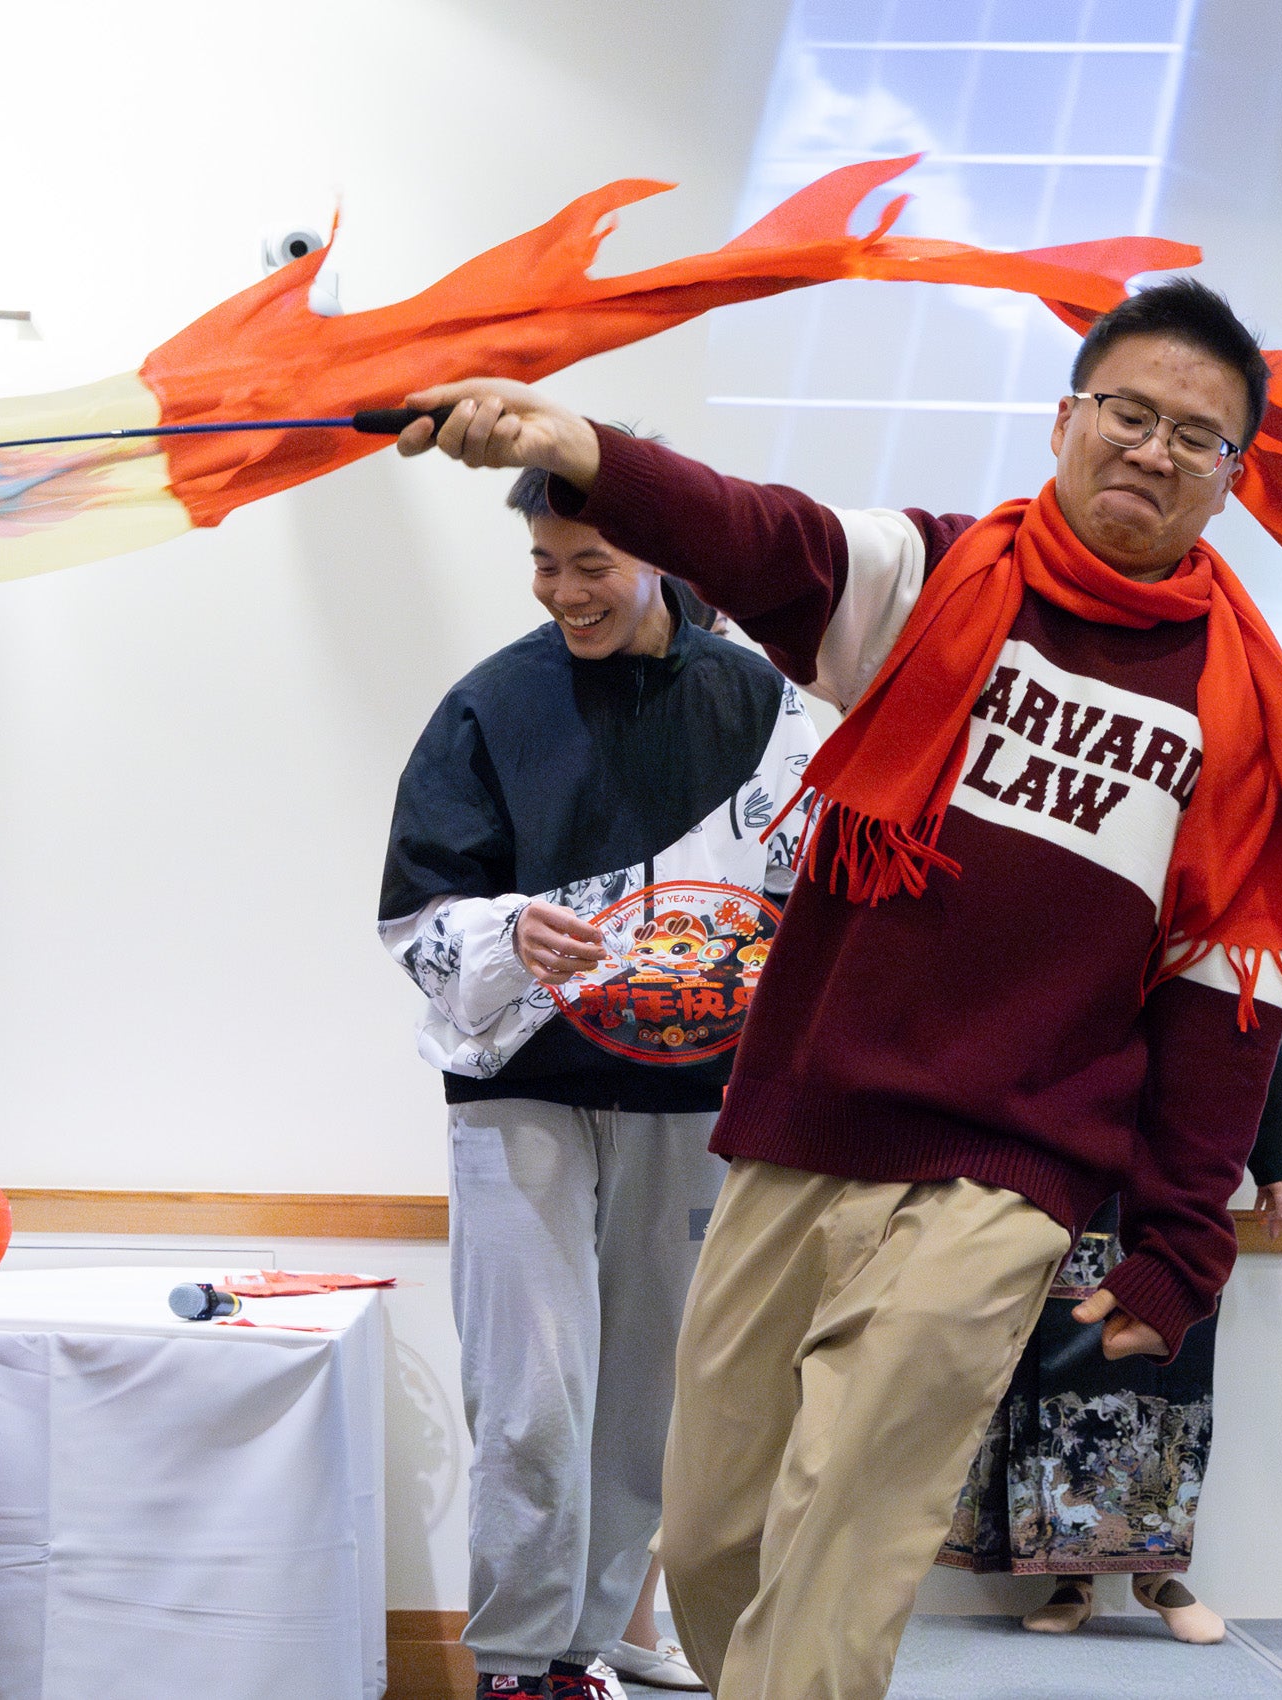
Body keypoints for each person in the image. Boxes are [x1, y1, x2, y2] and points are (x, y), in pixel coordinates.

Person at [396, 276, 1282, 1700]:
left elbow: (1222, 997)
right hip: (805, 1127)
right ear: (1065, 419)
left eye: (1194, 437)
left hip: (1010, 1169)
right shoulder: (936, 578)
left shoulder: (1240, 706)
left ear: (1229, 479)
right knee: (715, 1526)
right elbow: (758, 534)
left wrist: (1179, 1248)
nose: (1153, 450)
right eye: (1128, 413)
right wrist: (585, 448)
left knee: (852, 1512)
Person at [379, 462, 819, 1700]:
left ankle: (579, 1654)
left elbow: (813, 882)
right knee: (527, 1393)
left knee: (646, 1399)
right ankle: (515, 1665)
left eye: (593, 564)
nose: (566, 591)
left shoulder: (766, 703)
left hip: (693, 1091)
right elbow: (414, 912)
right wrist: (513, 930)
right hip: (520, 1079)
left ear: (663, 556)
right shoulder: (492, 704)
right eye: (544, 563)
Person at [941, 1051, 1282, 1644]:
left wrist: (1271, 1159)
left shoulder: (1220, 955)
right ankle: (1069, 1577)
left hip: (1175, 1171)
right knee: (1052, 1370)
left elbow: (1254, 1039)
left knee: (1166, 1365)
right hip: (1061, 1159)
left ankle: (1157, 1568)